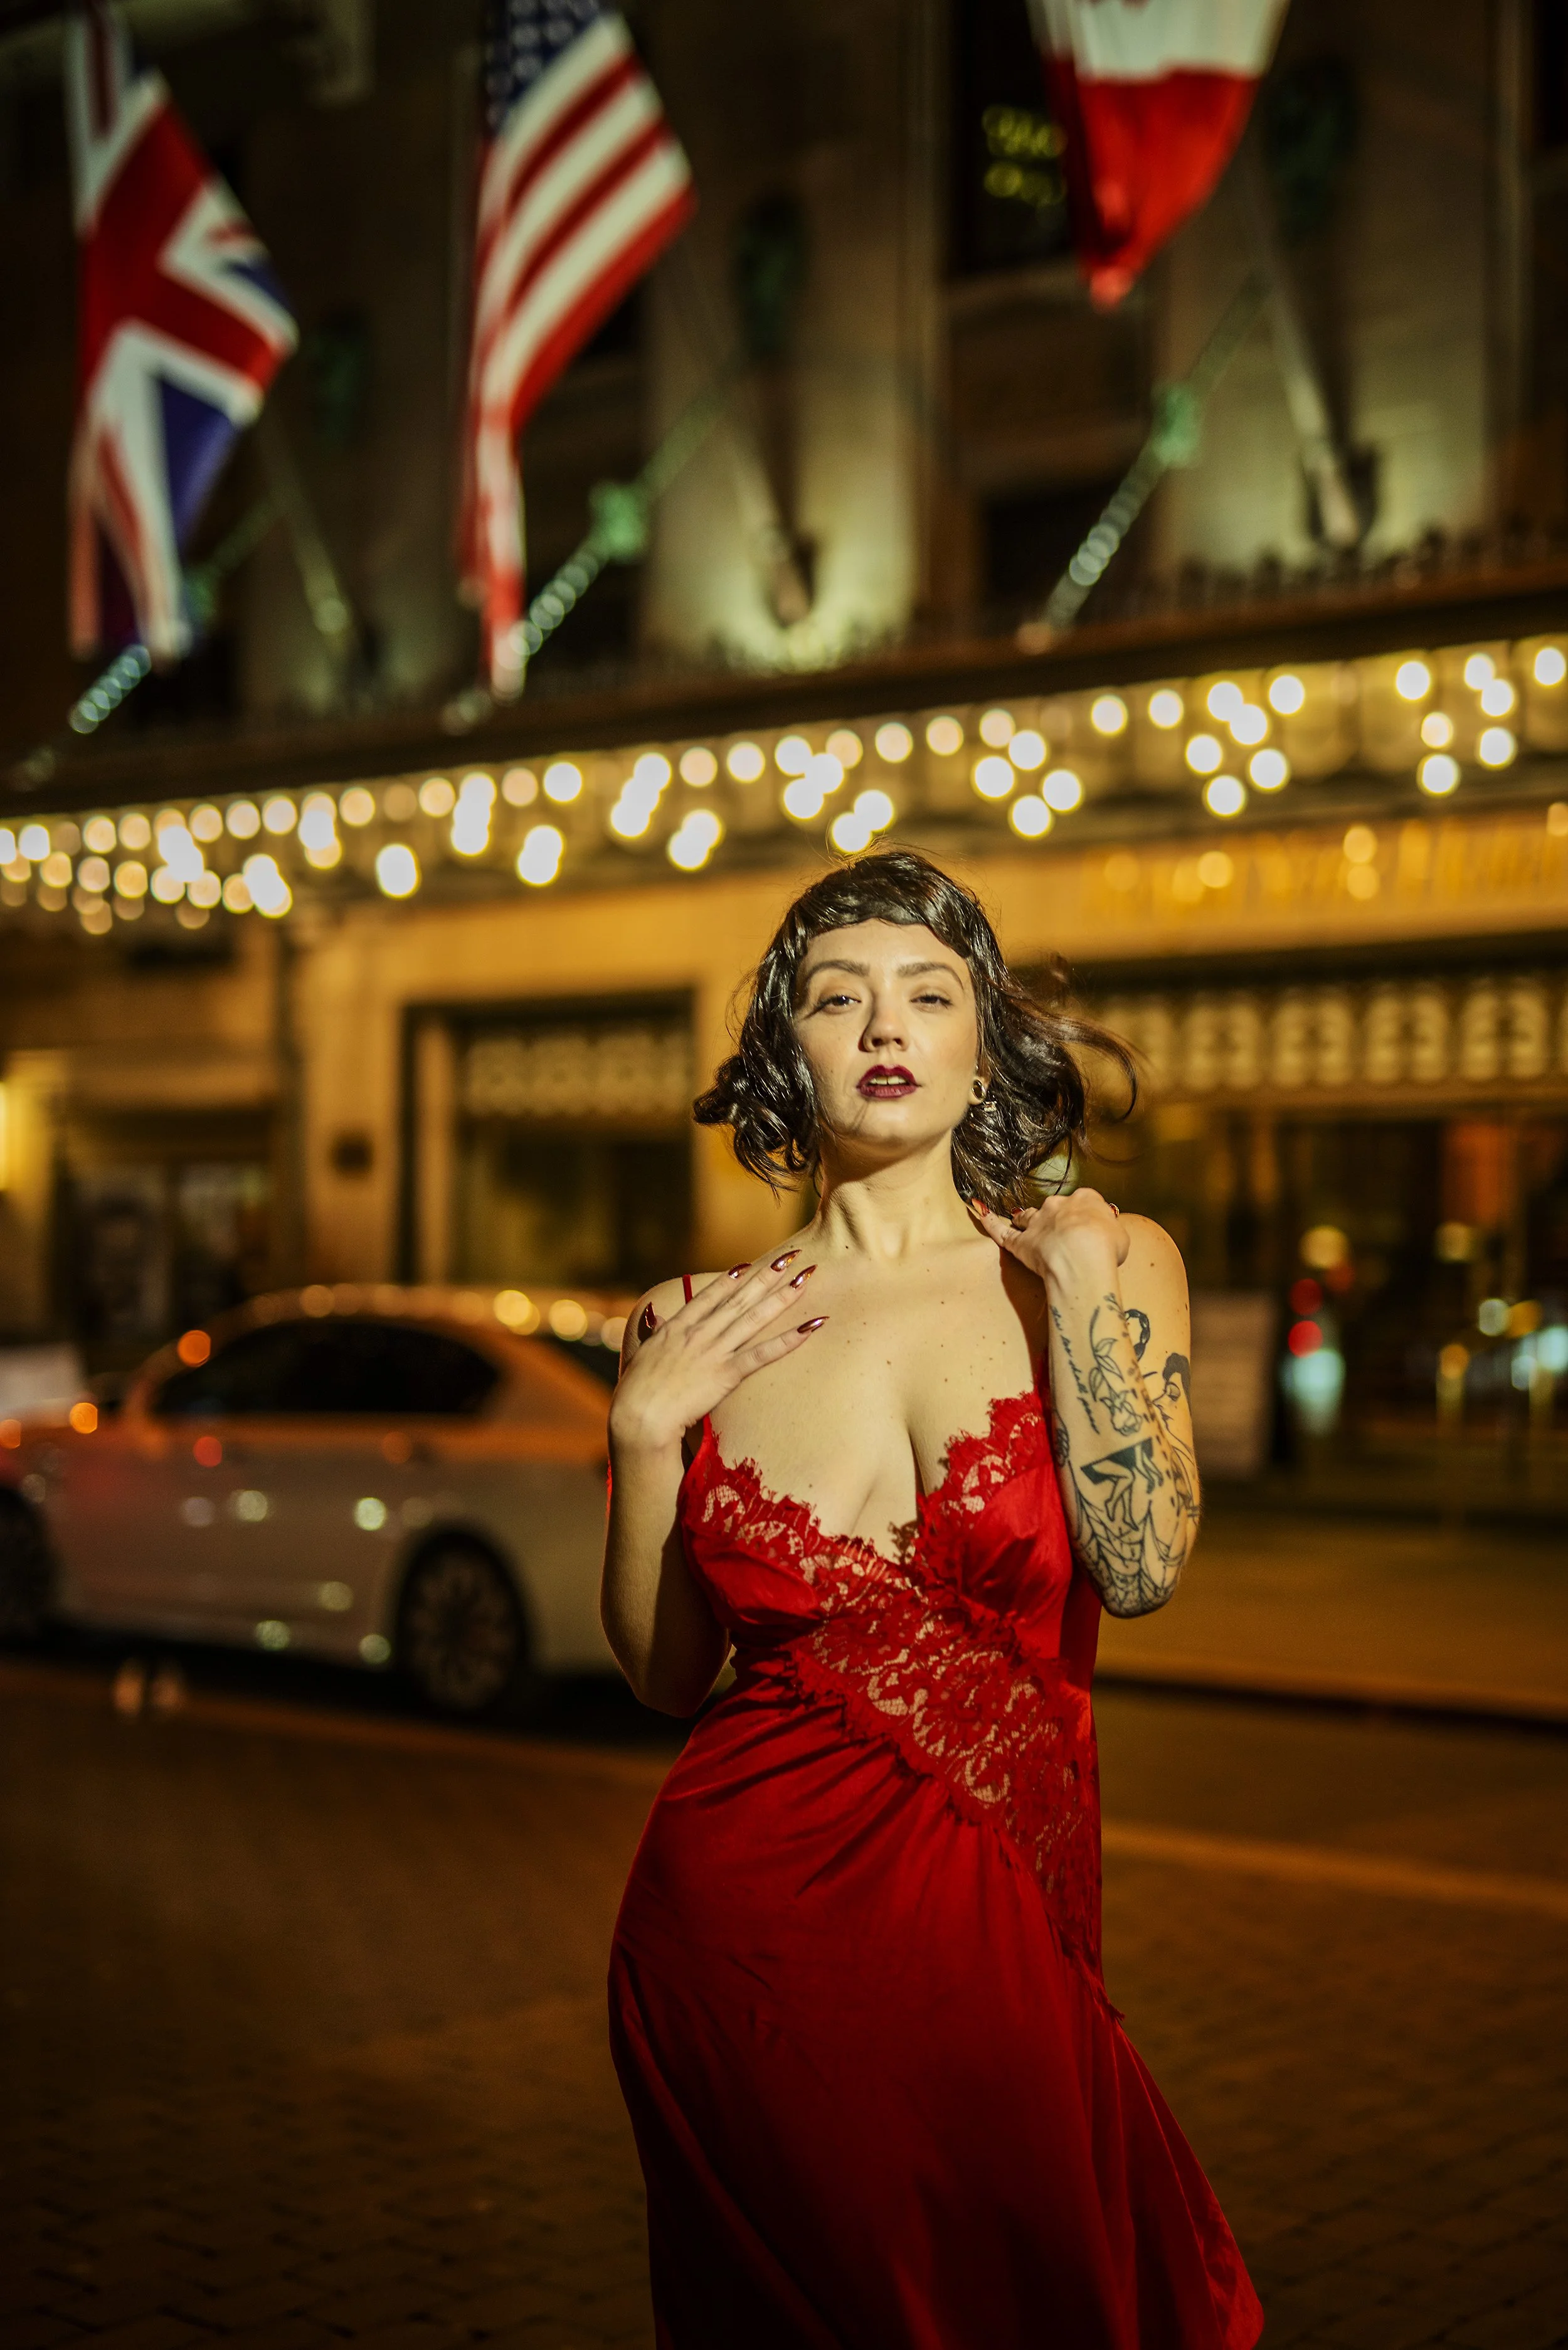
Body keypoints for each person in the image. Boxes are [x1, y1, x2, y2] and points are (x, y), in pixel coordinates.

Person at [601, 848, 1263, 2350]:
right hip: (734, 1960)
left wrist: (1086, 1291)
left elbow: (1142, 1567)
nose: (884, 1026)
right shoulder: (695, 1326)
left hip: (996, 1956)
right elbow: (660, 1677)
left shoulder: (1093, 1261)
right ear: (789, 1054)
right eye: (837, 999)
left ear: (983, 1043)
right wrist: (645, 1434)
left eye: (927, 993)